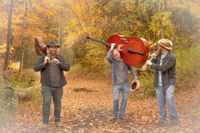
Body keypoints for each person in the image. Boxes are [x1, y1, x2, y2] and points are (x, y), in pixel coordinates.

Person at [34, 41, 70, 124]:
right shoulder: (43, 58)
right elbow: (35, 68)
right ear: (48, 48)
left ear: (57, 49)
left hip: (59, 86)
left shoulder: (60, 58)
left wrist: (59, 63)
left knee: (58, 104)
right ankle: (45, 121)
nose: (54, 49)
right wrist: (44, 63)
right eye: (52, 47)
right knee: (46, 104)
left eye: (56, 47)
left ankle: (57, 120)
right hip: (46, 86)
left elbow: (67, 68)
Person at [146, 39, 179, 126]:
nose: (158, 47)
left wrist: (151, 64)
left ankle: (174, 119)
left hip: (169, 82)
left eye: (159, 46)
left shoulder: (172, 57)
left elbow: (163, 68)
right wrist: (153, 57)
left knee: (169, 98)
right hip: (158, 82)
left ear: (164, 47)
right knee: (161, 101)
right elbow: (149, 64)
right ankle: (162, 119)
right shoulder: (159, 55)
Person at [106, 43, 138, 120]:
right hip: (116, 84)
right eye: (115, 55)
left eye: (118, 54)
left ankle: (121, 115)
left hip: (125, 84)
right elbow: (107, 57)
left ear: (120, 53)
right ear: (113, 56)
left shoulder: (125, 60)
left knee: (125, 99)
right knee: (116, 99)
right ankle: (114, 115)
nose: (117, 56)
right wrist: (114, 49)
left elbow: (131, 68)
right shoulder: (113, 62)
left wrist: (135, 76)